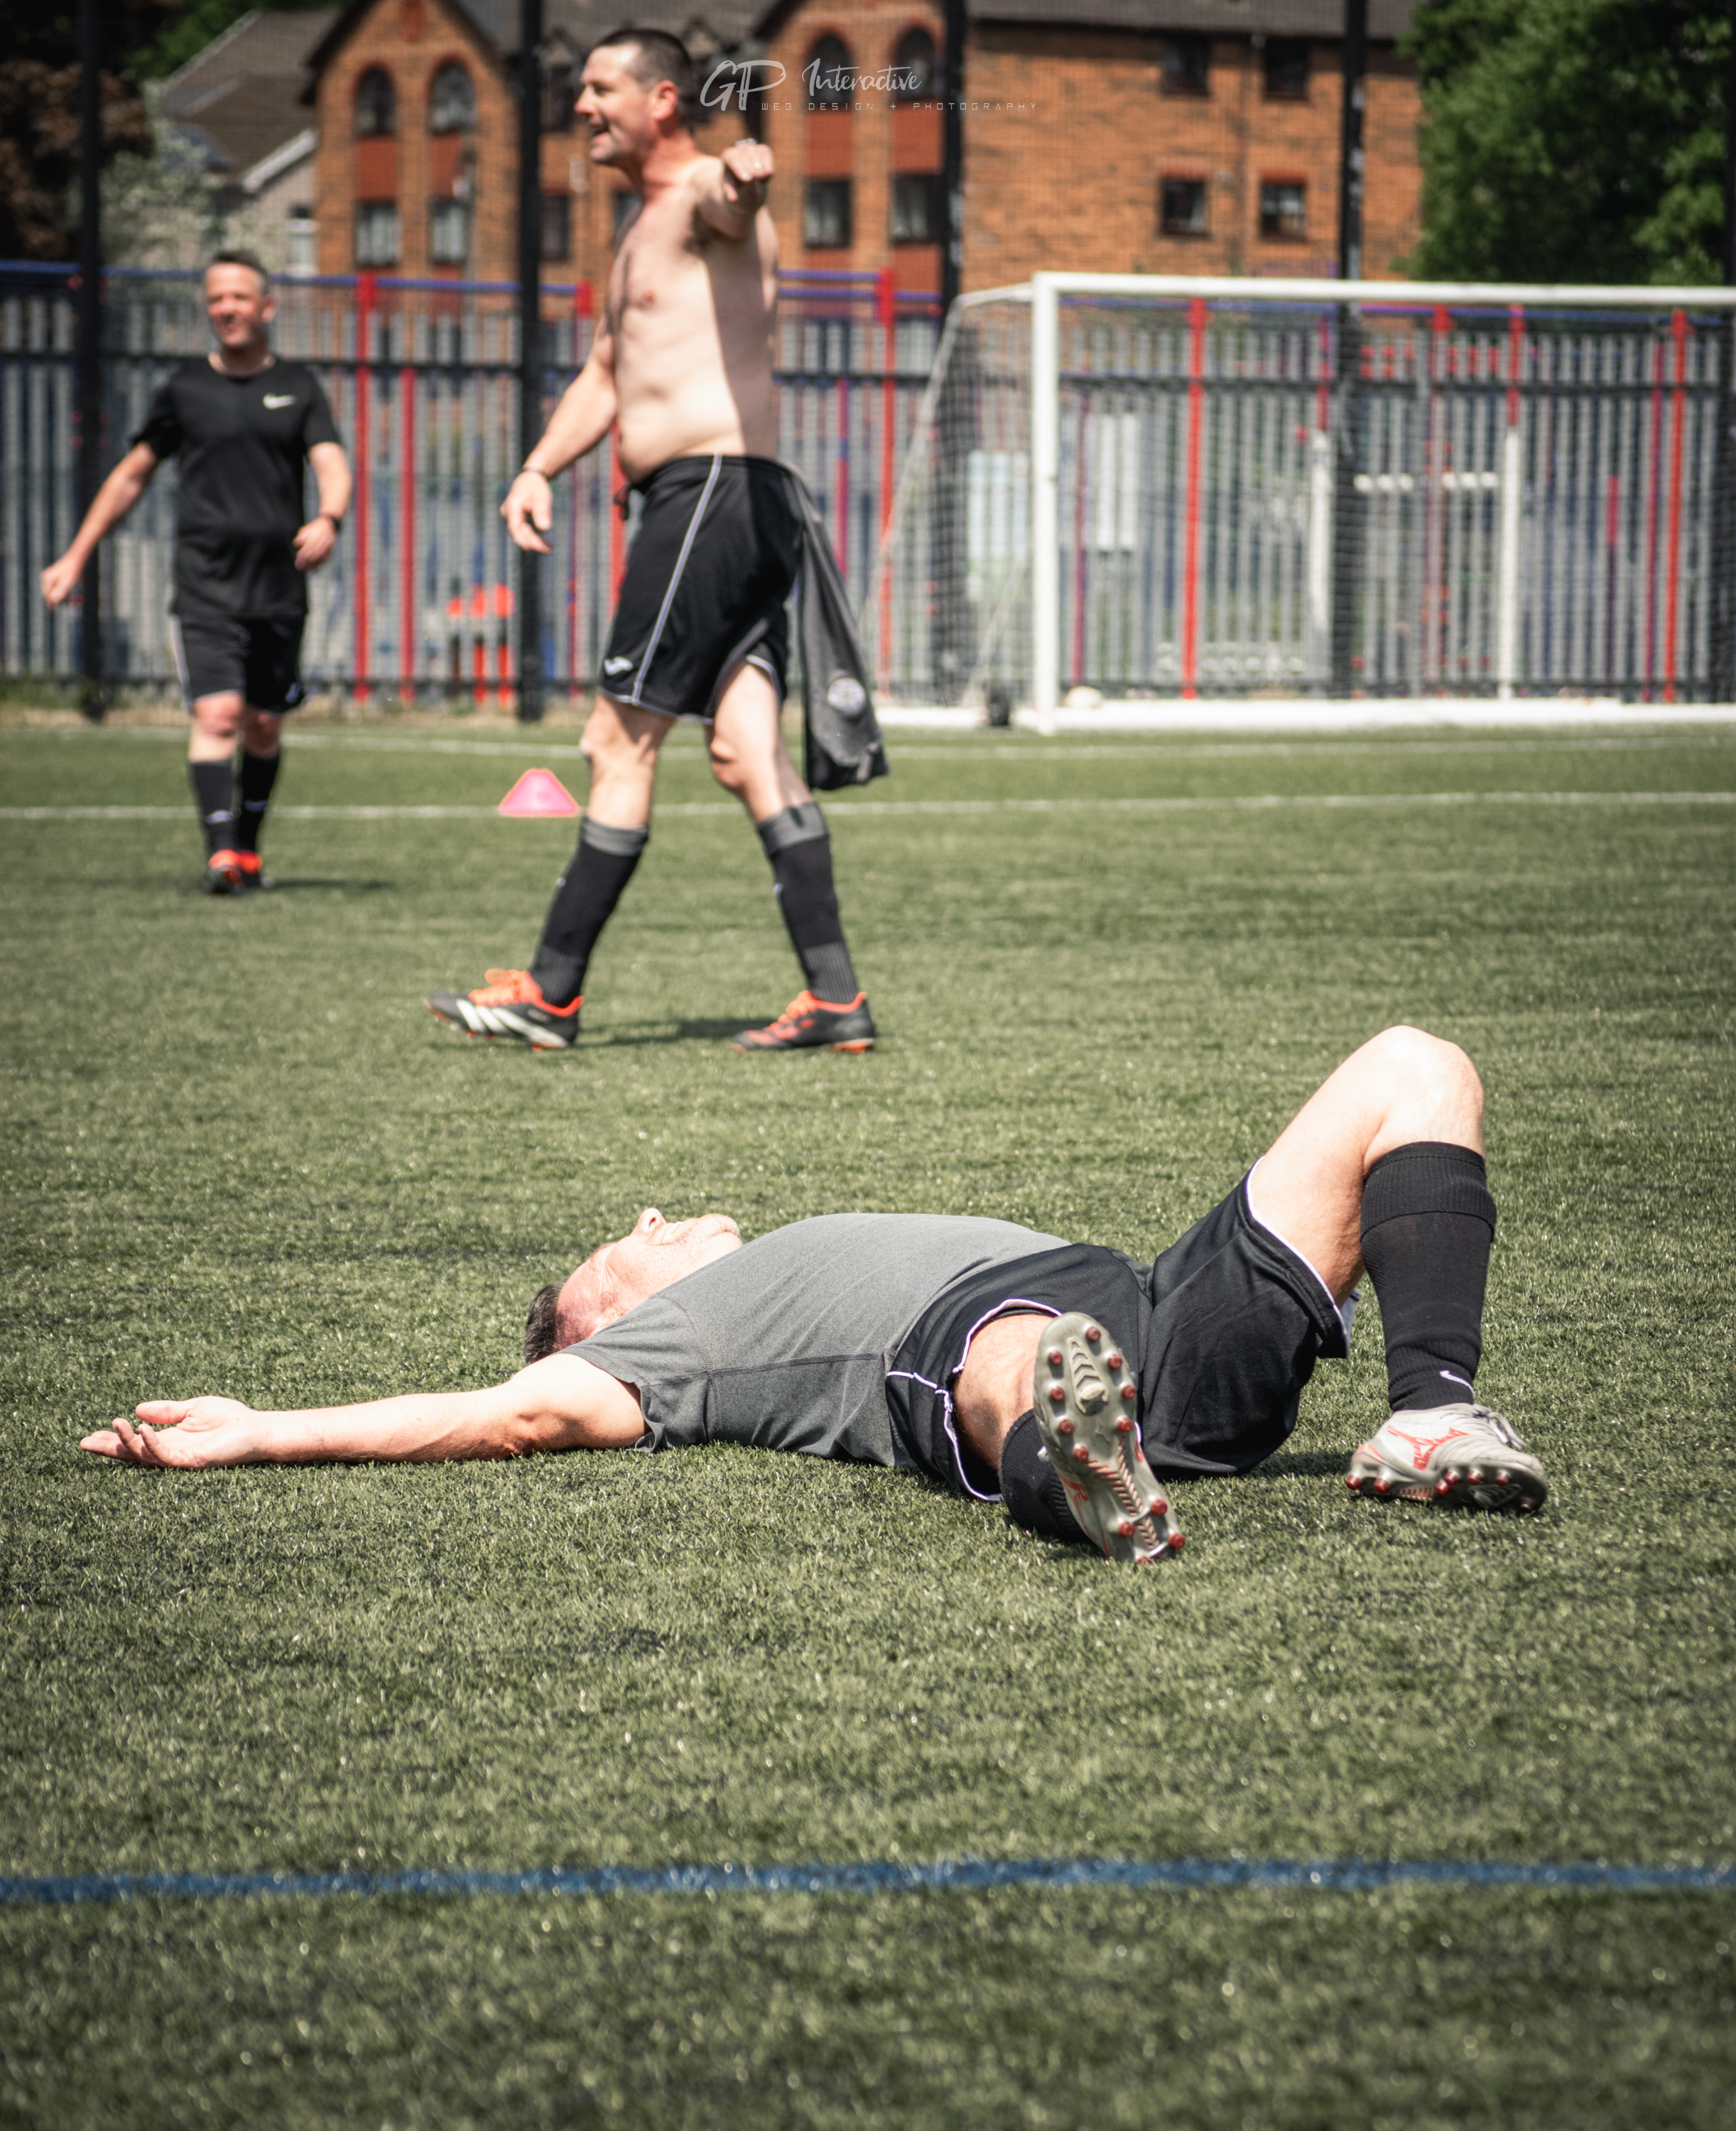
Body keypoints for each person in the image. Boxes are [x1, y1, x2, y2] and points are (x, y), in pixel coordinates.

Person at [82, 1028, 1550, 1559]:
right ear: (604, 1322)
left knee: (1415, 1069)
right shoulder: (657, 1353)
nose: (649, 1219)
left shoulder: (682, 1293)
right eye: (618, 1245)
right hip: (979, 1345)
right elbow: (509, 1414)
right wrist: (262, 1428)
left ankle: (1430, 1414)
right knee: (1015, 1352)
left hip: (1157, 1301)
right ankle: (1071, 1466)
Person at [424, 28, 874, 1056]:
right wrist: (539, 466)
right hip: (743, 503)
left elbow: (735, 196)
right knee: (747, 750)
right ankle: (837, 999)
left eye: (598, 88)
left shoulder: (704, 196)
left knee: (615, 739)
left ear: (662, 99)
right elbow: (605, 373)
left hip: (709, 495)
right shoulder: (636, 232)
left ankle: (550, 993)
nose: (580, 106)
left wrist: (748, 173)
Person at [42, 251, 352, 894]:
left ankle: (248, 848)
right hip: (206, 586)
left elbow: (331, 462)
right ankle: (220, 855)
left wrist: (330, 518)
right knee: (217, 714)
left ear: (266, 308)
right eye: (216, 299)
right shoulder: (186, 390)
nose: (227, 308)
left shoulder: (299, 386)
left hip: (277, 589)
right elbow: (131, 475)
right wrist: (76, 555)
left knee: (263, 723)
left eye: (240, 297)